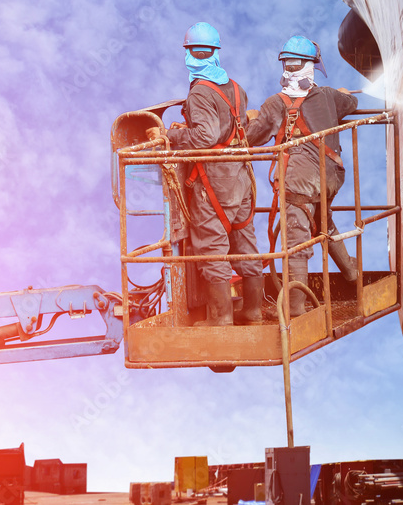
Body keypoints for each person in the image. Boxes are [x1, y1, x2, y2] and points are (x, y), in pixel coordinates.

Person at [146, 22, 264, 326]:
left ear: (189, 54)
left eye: (195, 51)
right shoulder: (236, 88)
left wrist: (169, 137)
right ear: (217, 52)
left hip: (214, 180)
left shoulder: (199, 93)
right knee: (245, 240)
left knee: (212, 247)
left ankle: (221, 319)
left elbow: (205, 137)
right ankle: (253, 309)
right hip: (240, 175)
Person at [247, 35, 359, 317]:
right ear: (312, 66)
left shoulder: (276, 103)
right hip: (333, 176)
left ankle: (295, 309)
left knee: (295, 240)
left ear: (286, 66)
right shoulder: (330, 96)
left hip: (301, 182)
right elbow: (351, 103)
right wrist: (345, 93)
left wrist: (251, 118)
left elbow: (252, 138)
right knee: (323, 221)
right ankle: (352, 273)